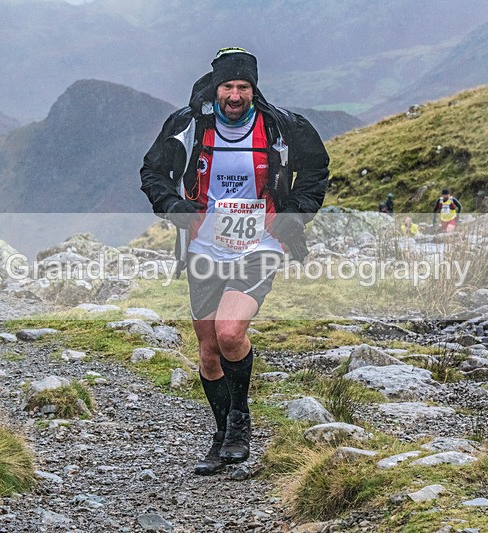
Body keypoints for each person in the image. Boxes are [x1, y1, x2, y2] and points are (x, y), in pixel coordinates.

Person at [140, 47, 329, 475]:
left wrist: (290, 217)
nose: (235, 95)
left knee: (229, 332)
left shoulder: (280, 127)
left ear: (254, 88)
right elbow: (152, 173)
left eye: (244, 86)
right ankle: (221, 434)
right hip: (204, 248)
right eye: (228, 86)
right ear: (216, 87)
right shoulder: (187, 127)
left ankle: (240, 425)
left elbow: (316, 170)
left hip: (259, 244)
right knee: (208, 353)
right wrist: (176, 208)